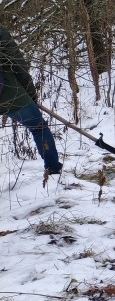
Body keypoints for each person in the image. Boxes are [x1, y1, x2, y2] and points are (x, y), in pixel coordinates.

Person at [0, 22, 62, 182]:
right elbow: (17, 62)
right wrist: (30, 92)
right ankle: (53, 169)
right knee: (39, 128)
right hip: (10, 94)